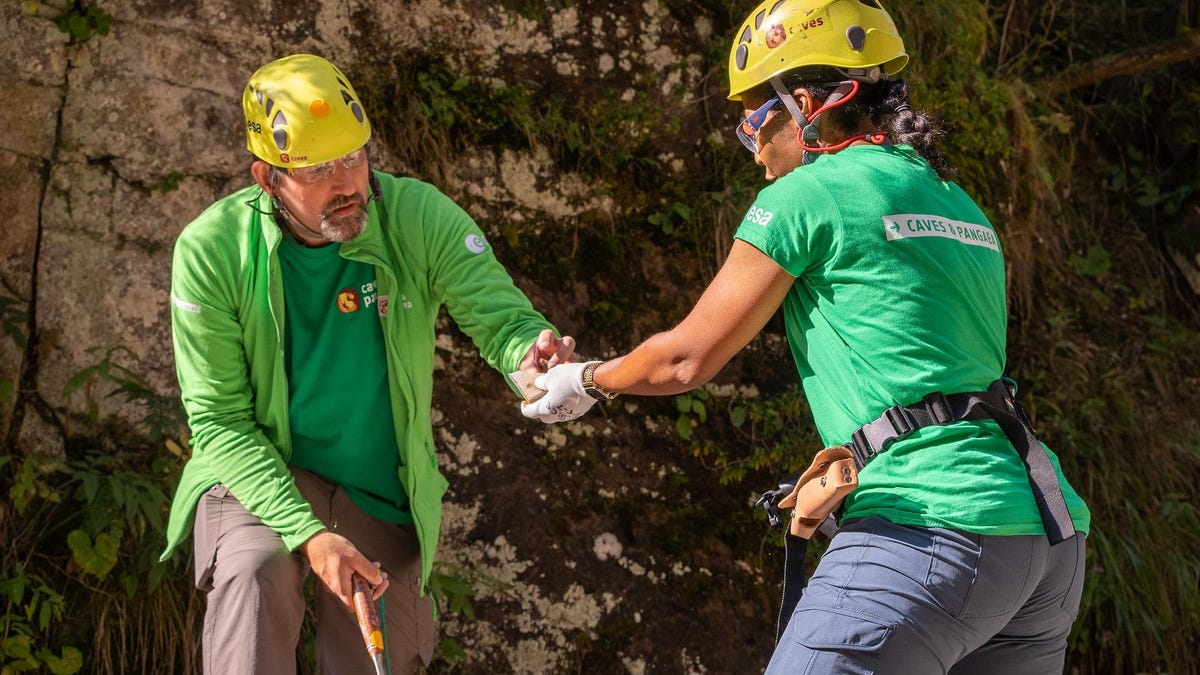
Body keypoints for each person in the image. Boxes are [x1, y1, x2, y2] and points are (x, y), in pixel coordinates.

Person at [522, 1, 1091, 672]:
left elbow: (684, 359)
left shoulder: (810, 194)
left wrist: (585, 379)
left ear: (805, 104)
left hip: (930, 525)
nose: (756, 153)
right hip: (1043, 536)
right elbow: (930, 381)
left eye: (755, 124)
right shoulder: (955, 200)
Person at [160, 53, 576, 675]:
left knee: (381, 657)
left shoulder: (416, 215)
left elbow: (501, 321)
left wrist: (532, 355)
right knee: (255, 574)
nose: (348, 182)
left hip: (378, 488)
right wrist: (308, 535)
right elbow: (219, 420)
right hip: (262, 470)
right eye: (320, 170)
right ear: (268, 179)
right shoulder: (211, 248)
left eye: (355, 157)